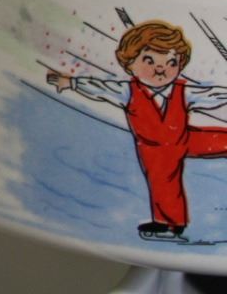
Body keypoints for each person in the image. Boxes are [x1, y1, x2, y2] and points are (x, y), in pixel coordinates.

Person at [47, 20, 227, 240]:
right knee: (163, 182)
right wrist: (72, 83)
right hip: (155, 151)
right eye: (149, 61)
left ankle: (170, 223)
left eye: (171, 62)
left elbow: (212, 95)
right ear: (129, 64)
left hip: (182, 138)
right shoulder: (128, 91)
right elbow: (101, 88)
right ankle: (170, 224)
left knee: (218, 139)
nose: (160, 69)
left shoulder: (183, 91)